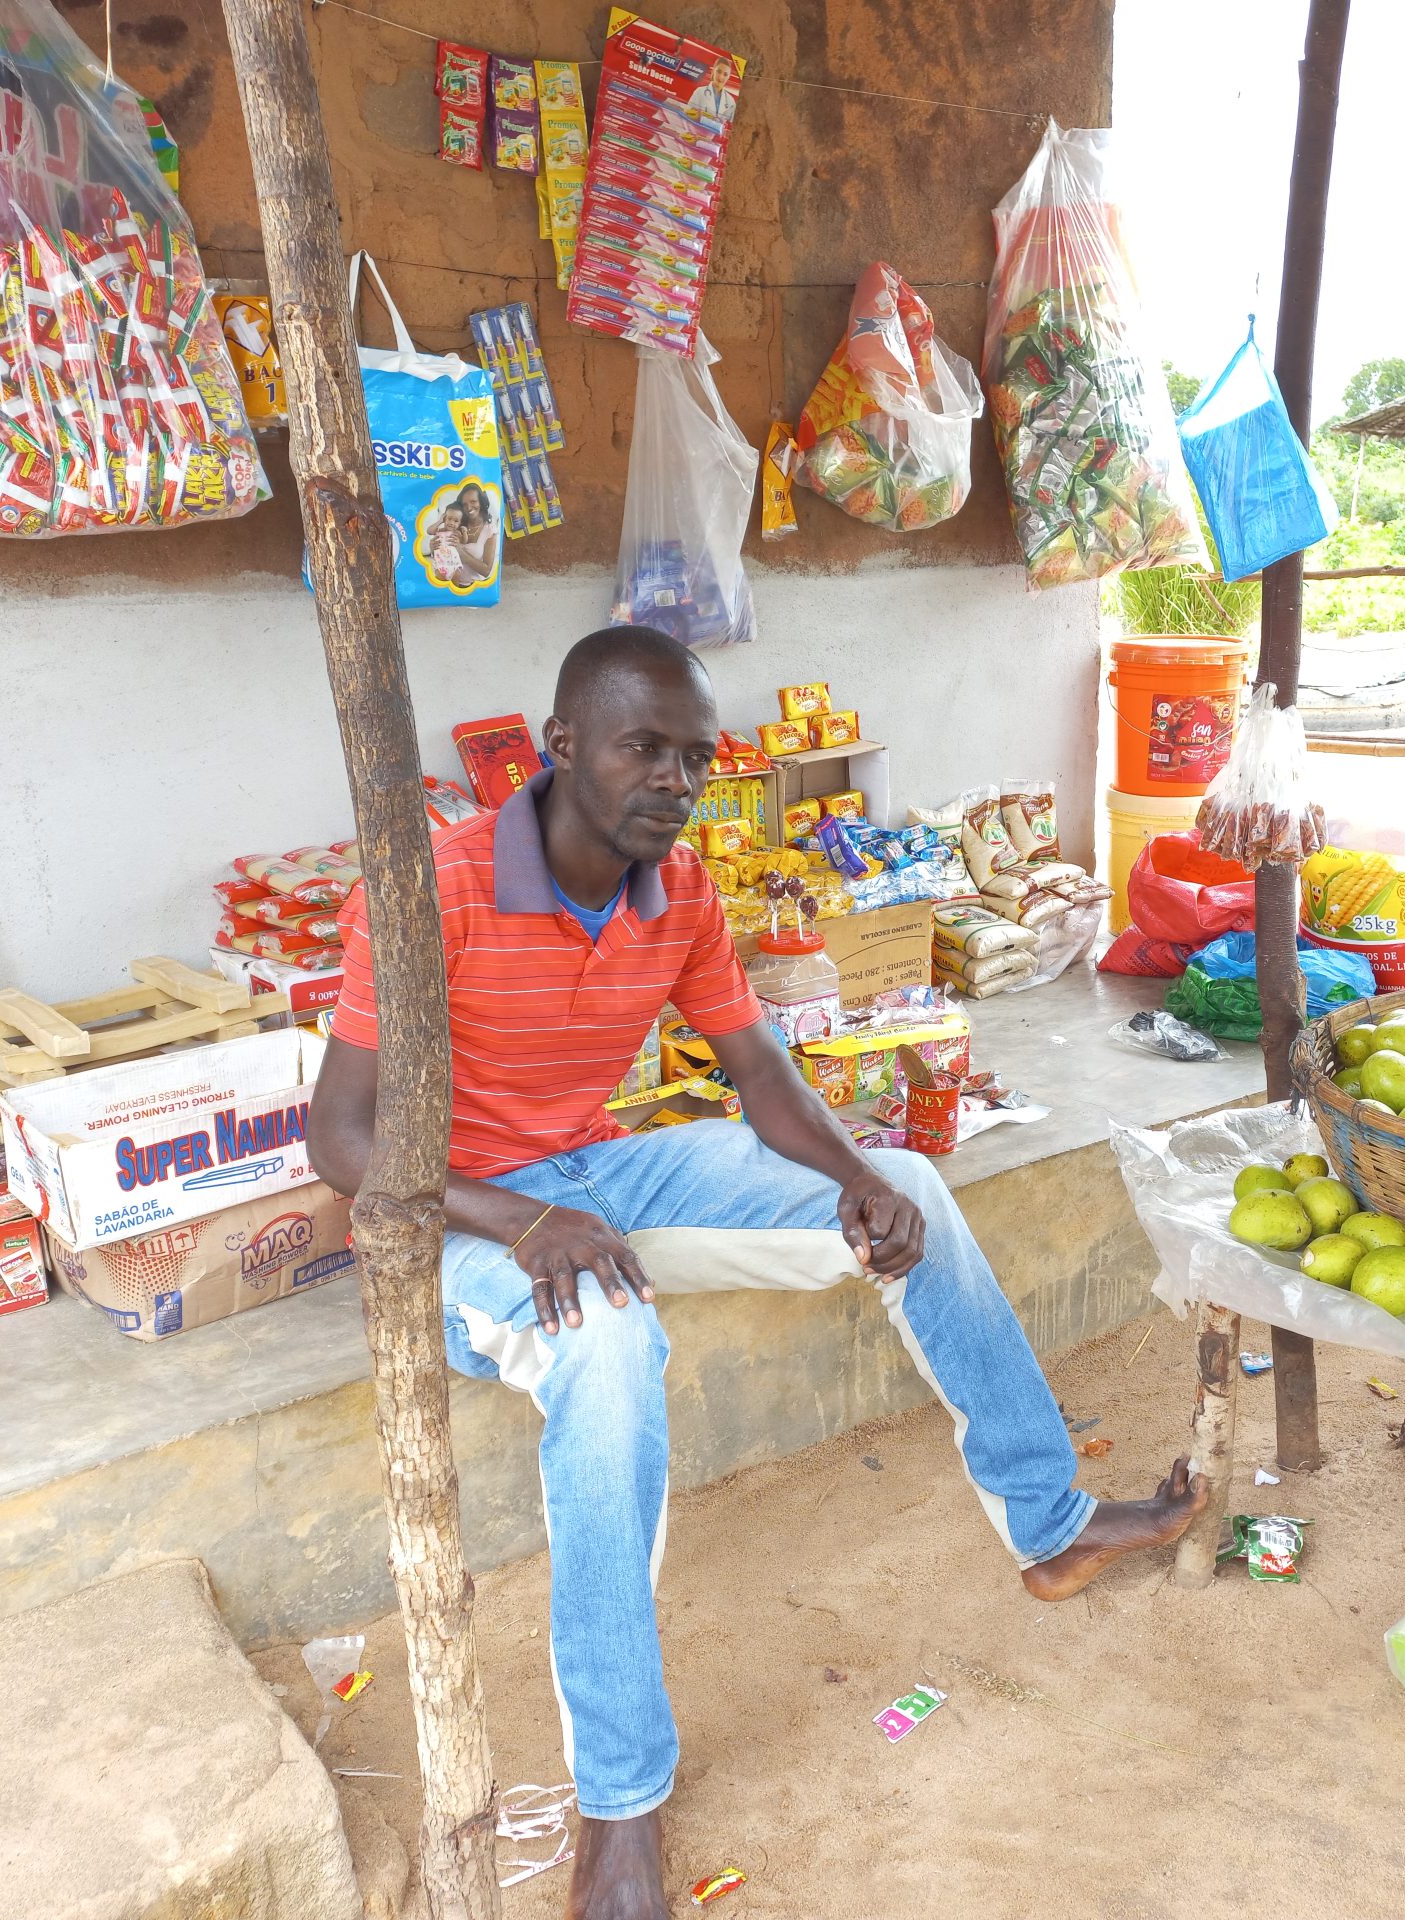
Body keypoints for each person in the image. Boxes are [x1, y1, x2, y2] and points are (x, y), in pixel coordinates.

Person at [308, 625, 1206, 1919]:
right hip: (447, 1226)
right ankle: (619, 1806)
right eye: (642, 749)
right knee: (608, 1340)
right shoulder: (433, 887)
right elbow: (340, 1140)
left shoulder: (679, 894)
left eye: (695, 758)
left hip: (599, 1180)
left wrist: (861, 1177)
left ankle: (1052, 1527)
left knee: (917, 1198)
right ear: (561, 748)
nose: (674, 780)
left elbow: (762, 1074)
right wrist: (516, 1222)